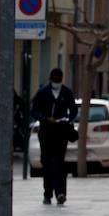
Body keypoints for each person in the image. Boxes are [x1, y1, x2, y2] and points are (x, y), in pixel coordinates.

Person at [31, 69, 76, 204]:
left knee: (60, 163)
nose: (56, 82)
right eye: (54, 79)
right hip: (46, 132)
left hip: (61, 132)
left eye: (59, 79)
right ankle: (47, 193)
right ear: (50, 79)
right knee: (47, 162)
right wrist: (45, 118)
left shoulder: (66, 93)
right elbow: (34, 111)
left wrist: (67, 118)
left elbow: (74, 110)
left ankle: (60, 192)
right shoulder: (42, 93)